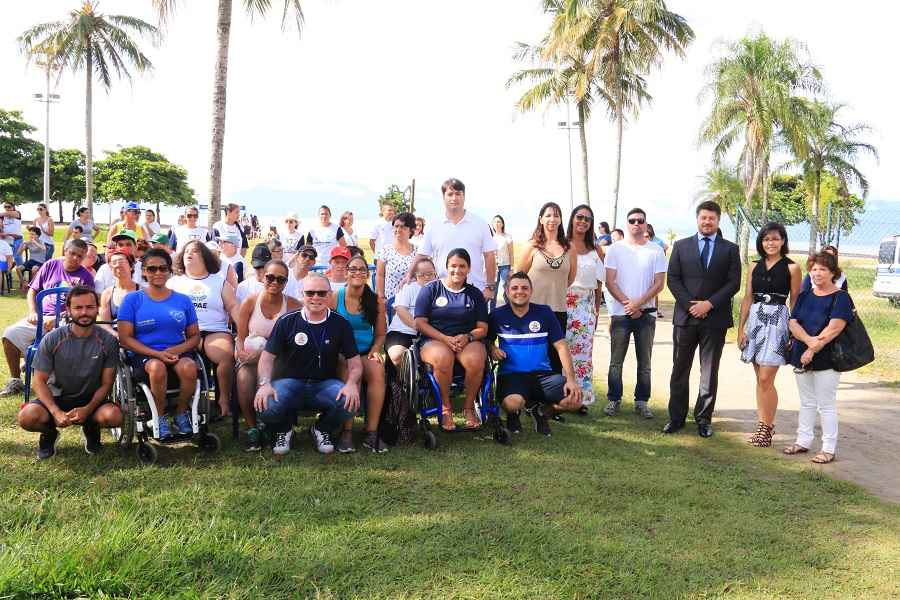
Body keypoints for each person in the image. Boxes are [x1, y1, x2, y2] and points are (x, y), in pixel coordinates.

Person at [254, 273, 362, 456]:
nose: (316, 298)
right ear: (302, 294)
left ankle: (321, 429)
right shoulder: (287, 321)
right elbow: (266, 358)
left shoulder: (340, 323)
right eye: (310, 293)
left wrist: (351, 384)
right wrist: (264, 384)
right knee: (266, 404)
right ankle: (284, 429)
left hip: (324, 385)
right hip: (289, 384)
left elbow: (355, 363)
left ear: (329, 295)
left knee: (349, 402)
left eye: (321, 293)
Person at [663, 200, 741, 438]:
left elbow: (733, 283)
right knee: (680, 369)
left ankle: (704, 419)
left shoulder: (730, 249)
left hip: (715, 319)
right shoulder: (681, 246)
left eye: (712, 218)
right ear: (697, 219)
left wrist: (709, 304)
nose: (707, 222)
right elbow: (673, 279)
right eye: (703, 217)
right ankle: (676, 418)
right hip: (685, 319)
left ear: (718, 221)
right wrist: (691, 306)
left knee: (709, 371)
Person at [16, 286, 121, 459]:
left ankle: (91, 428)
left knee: (114, 416)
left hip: (90, 399)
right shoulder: (53, 338)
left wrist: (88, 409)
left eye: (89, 307)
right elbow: (39, 381)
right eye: (78, 308)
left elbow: (107, 383)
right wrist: (55, 412)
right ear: (69, 310)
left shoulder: (108, 340)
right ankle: (49, 434)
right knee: (27, 417)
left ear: (97, 309)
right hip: (56, 397)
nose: (84, 312)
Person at [117, 248, 200, 439]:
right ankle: (159, 416)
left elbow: (195, 336)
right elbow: (125, 338)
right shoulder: (132, 300)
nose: (158, 273)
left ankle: (180, 413)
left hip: (176, 351)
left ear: (169, 271)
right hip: (144, 354)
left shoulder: (183, 300)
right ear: (144, 271)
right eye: (152, 269)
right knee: (157, 368)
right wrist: (157, 354)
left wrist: (177, 349)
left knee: (189, 368)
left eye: (163, 268)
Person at [488, 272, 582, 436]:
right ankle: (514, 413)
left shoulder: (544, 313)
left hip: (543, 376)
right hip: (512, 375)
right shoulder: (497, 315)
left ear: (531, 291)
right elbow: (485, 341)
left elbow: (561, 346)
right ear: (507, 291)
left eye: (524, 288)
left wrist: (572, 380)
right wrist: (492, 348)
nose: (520, 291)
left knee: (575, 400)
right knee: (512, 404)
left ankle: (542, 412)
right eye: (515, 288)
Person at [737, 223, 802, 447]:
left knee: (766, 378)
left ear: (783, 240)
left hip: (777, 322)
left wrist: (795, 331)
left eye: (775, 238)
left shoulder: (792, 268)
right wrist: (740, 330)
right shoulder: (754, 266)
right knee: (760, 379)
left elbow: (795, 301)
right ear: (761, 242)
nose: (770, 243)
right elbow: (747, 298)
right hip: (755, 320)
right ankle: (762, 425)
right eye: (766, 239)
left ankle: (767, 427)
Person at [1, 239, 94, 396]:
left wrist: (63, 316)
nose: (76, 258)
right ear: (65, 250)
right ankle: (16, 380)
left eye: (80, 256)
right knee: (9, 334)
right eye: (72, 253)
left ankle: (46, 375)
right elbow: (33, 290)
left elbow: (85, 306)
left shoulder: (86, 277)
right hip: (41, 317)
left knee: (53, 345)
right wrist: (32, 311)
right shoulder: (51, 265)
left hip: (67, 321)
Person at [783, 251, 852, 464]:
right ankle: (803, 441)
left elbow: (835, 327)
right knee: (807, 402)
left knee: (826, 404)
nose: (817, 273)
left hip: (827, 359)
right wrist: (808, 342)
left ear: (833, 272)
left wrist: (813, 349)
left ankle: (828, 448)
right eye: (814, 269)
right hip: (801, 355)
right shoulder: (805, 296)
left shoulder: (841, 297)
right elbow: (793, 322)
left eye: (823, 269)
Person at [414, 248, 489, 431]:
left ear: (469, 268)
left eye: (462, 266)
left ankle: (469, 407)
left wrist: (468, 336)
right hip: (435, 339)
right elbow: (420, 323)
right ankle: (446, 408)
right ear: (446, 267)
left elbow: (483, 328)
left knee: (477, 358)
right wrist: (444, 338)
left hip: (465, 340)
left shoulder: (475, 294)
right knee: (443, 357)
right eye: (453, 266)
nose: (457, 270)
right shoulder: (430, 290)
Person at [603, 208, 667, 419]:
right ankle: (614, 399)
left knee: (645, 361)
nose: (636, 224)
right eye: (632, 221)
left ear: (646, 224)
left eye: (640, 221)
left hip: (646, 314)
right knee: (616, 360)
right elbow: (610, 281)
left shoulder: (655, 250)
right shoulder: (615, 249)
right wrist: (627, 304)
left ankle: (642, 401)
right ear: (627, 223)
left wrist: (638, 304)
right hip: (621, 314)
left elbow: (659, 284)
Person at [167, 239, 239, 417]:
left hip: (215, 330)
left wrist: (243, 336)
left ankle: (222, 400)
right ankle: (184, 402)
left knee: (225, 355)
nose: (188, 254)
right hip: (184, 333)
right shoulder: (174, 283)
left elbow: (234, 308)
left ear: (205, 257)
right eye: (185, 252)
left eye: (194, 251)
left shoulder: (219, 282)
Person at [235, 259, 301, 452]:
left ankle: (267, 423)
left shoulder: (293, 306)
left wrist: (266, 355)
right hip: (249, 357)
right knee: (244, 379)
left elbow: (295, 342)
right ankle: (252, 428)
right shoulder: (250, 301)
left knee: (269, 377)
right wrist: (240, 352)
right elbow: (239, 337)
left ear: (286, 283)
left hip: (278, 360)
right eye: (270, 277)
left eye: (281, 280)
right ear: (263, 277)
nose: (275, 283)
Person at [410, 178, 497, 302]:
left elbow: (489, 256)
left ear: (464, 196)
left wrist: (490, 287)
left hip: (476, 291)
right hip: (442, 292)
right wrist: (409, 275)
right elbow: (422, 254)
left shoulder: (480, 223)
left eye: (458, 194)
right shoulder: (434, 225)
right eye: (450, 194)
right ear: (443, 197)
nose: (454, 198)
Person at [334, 254, 388, 453]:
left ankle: (371, 432)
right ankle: (346, 431)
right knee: (351, 374)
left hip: (365, 351)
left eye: (362, 270)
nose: (357, 272)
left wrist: (375, 351)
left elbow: (381, 334)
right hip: (343, 354)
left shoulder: (375, 301)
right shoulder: (335, 297)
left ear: (367, 274)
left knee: (377, 372)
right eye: (353, 269)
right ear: (346, 273)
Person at [516, 202, 576, 377]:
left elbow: (570, 279)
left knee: (555, 357)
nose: (552, 219)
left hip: (558, 310)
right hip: (533, 310)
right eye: (548, 215)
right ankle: (530, 399)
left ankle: (552, 399)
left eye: (556, 215)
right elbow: (518, 277)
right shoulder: (532, 246)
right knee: (532, 356)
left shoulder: (569, 248)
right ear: (541, 219)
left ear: (561, 220)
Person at [565, 204, 605, 411]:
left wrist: (596, 311)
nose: (582, 221)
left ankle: (581, 399)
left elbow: (599, 285)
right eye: (579, 217)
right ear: (572, 219)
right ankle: (560, 397)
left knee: (582, 355)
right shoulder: (561, 244)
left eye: (587, 219)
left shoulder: (595, 249)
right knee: (561, 352)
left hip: (586, 306)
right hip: (562, 303)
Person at [385, 257, 436, 365]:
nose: (426, 278)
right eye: (422, 275)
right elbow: (401, 310)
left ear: (435, 274)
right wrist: (419, 327)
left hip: (430, 334)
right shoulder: (409, 288)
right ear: (415, 276)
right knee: (397, 355)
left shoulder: (439, 289)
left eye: (430, 274)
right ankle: (401, 380)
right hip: (403, 332)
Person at [375, 211, 416, 317]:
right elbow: (380, 275)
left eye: (403, 227)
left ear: (411, 230)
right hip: (390, 303)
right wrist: (382, 297)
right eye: (396, 226)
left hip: (412, 303)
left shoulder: (418, 252)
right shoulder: (386, 250)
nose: (398, 230)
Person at [99, 251, 140, 332]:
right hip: (115, 339)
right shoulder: (107, 294)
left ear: (131, 266)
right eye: (114, 262)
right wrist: (117, 337)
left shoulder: (143, 291)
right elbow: (106, 324)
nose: (117, 265)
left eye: (121, 261)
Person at [491, 214, 514, 309]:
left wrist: (512, 268)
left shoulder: (507, 237)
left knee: (506, 288)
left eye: (499, 221)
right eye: (495, 222)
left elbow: (511, 253)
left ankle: (510, 308)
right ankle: (491, 312)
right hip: (494, 267)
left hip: (505, 266)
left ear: (502, 224)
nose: (497, 223)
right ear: (492, 224)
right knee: (494, 290)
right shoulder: (491, 238)